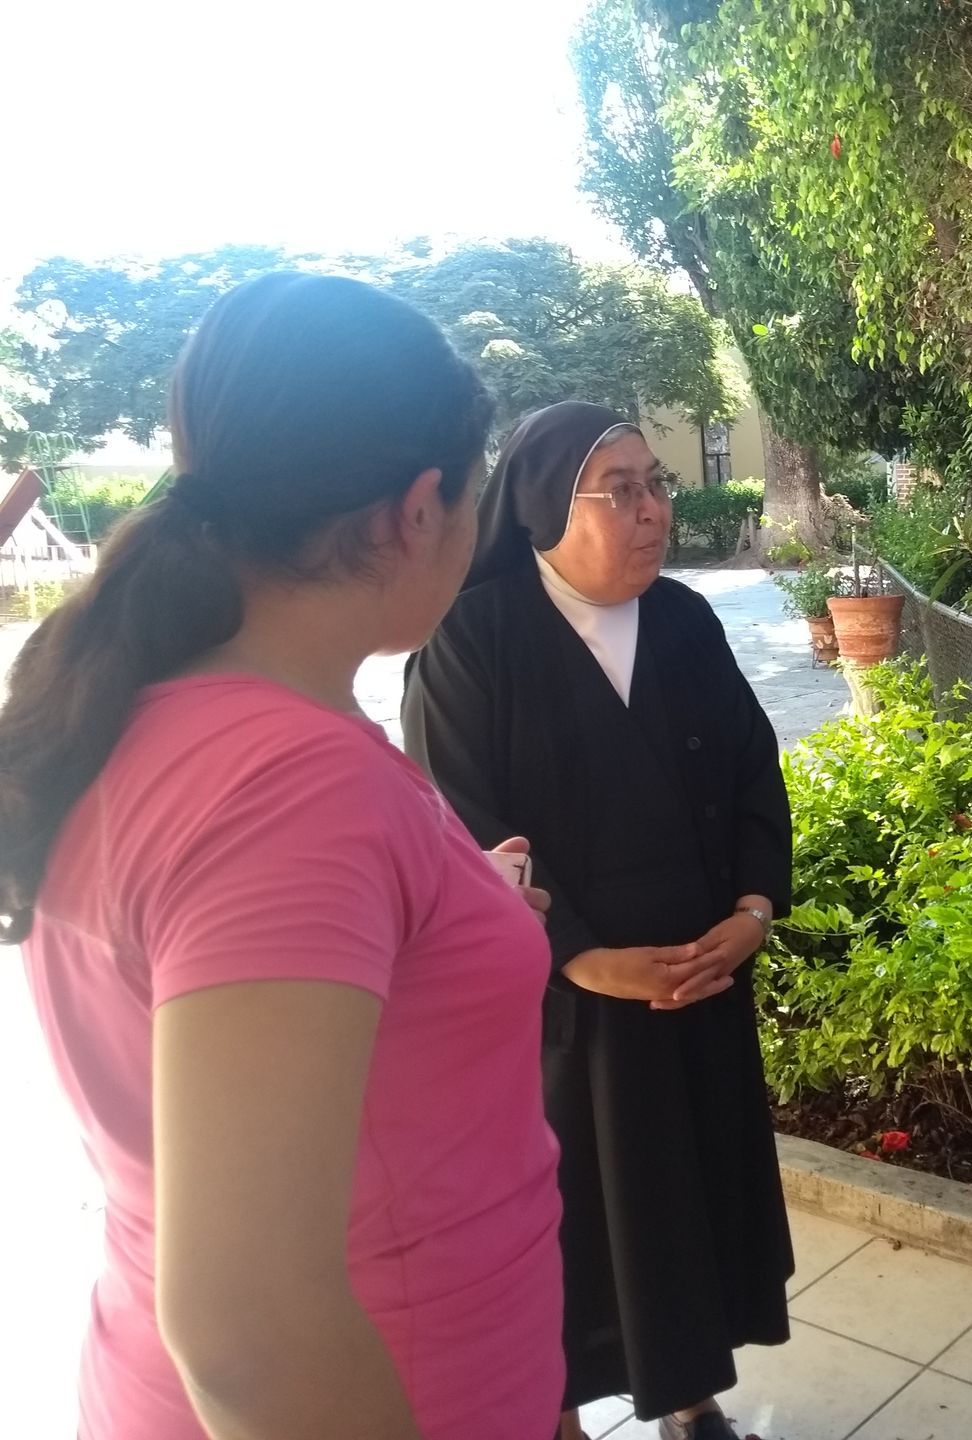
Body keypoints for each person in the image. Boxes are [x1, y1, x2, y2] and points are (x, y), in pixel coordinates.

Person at [0, 274, 563, 1439]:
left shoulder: (160, 713)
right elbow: (246, 1327)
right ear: (417, 510)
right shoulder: (292, 789)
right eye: (475, 496)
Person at [402, 402, 793, 1440]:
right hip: (555, 1015)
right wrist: (578, 956)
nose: (654, 508)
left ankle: (689, 1396)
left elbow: (757, 773)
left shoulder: (683, 622)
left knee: (687, 1203)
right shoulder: (469, 643)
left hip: (699, 986)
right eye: (621, 488)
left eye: (656, 482)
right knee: (566, 1221)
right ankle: (558, 1412)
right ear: (542, 506)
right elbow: (461, 825)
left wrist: (753, 911)